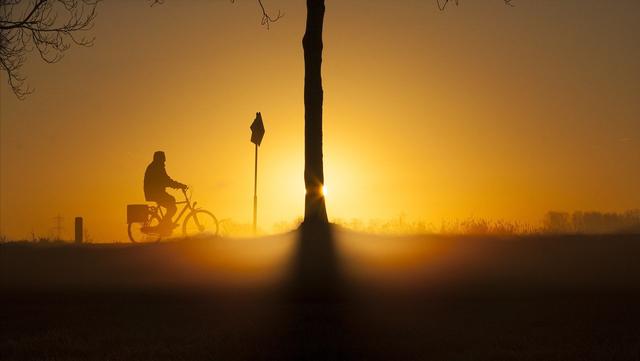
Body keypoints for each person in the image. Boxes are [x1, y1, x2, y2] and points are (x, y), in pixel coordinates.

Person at [144, 151, 187, 233]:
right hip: (155, 193)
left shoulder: (156, 166)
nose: (164, 160)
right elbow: (166, 181)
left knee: (171, 200)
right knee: (173, 208)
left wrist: (178, 185)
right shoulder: (157, 167)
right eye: (163, 158)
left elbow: (166, 180)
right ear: (160, 158)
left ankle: (167, 225)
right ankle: (163, 226)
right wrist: (180, 185)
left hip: (155, 192)